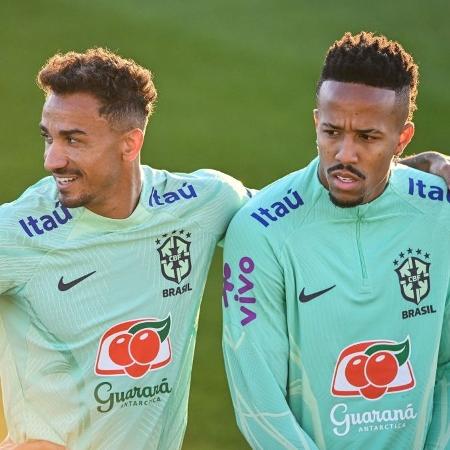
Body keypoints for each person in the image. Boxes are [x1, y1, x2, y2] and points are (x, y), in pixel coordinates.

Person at [0, 46, 447, 450]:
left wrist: (409, 168)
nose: (52, 159)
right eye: (48, 137)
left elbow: (299, 205)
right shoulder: (19, 231)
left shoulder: (205, 203)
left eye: (72, 139)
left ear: (130, 143)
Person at [222, 31, 450, 450]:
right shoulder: (261, 229)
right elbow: (259, 400)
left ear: (403, 139)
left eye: (367, 137)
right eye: (331, 132)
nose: (345, 154)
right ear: (315, 122)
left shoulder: (442, 214)